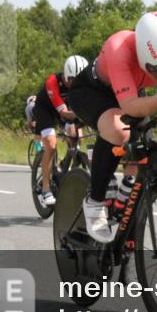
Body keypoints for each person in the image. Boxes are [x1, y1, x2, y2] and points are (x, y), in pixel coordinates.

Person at [66, 12, 157, 243]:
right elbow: (130, 107)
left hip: (130, 92)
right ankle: (95, 202)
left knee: (145, 145)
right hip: (92, 92)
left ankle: (122, 202)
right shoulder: (119, 47)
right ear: (144, 51)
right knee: (119, 130)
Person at [31, 55, 89, 206]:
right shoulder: (53, 82)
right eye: (72, 80)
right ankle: (45, 190)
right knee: (51, 144)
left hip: (66, 110)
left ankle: (64, 167)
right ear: (65, 75)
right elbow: (64, 114)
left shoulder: (81, 85)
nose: (75, 84)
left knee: (77, 137)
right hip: (46, 110)